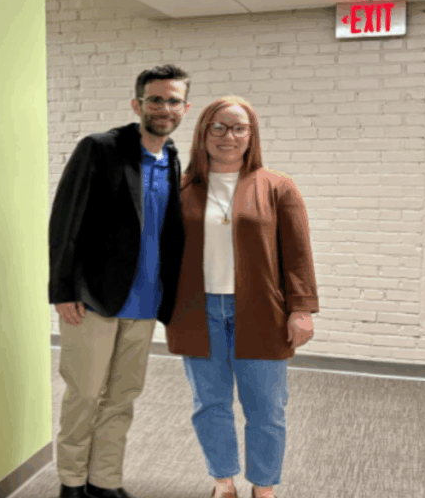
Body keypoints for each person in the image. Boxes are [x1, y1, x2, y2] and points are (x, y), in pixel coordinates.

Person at [48, 64, 192, 498]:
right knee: (85, 395)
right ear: (138, 104)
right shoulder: (100, 148)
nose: (163, 108)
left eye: (172, 101)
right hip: (93, 297)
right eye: (155, 99)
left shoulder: (172, 158)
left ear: (184, 108)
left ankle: (104, 480)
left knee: (122, 399)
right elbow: (66, 221)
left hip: (147, 301)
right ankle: (71, 482)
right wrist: (63, 290)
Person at [165, 95, 319, 498]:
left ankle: (264, 486)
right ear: (203, 134)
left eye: (238, 128)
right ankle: (223, 481)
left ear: (252, 135)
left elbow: (298, 255)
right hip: (198, 313)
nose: (228, 136)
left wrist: (300, 309)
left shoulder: (278, 187)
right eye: (218, 127)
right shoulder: (180, 187)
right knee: (209, 404)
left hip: (262, 312)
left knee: (266, 409)